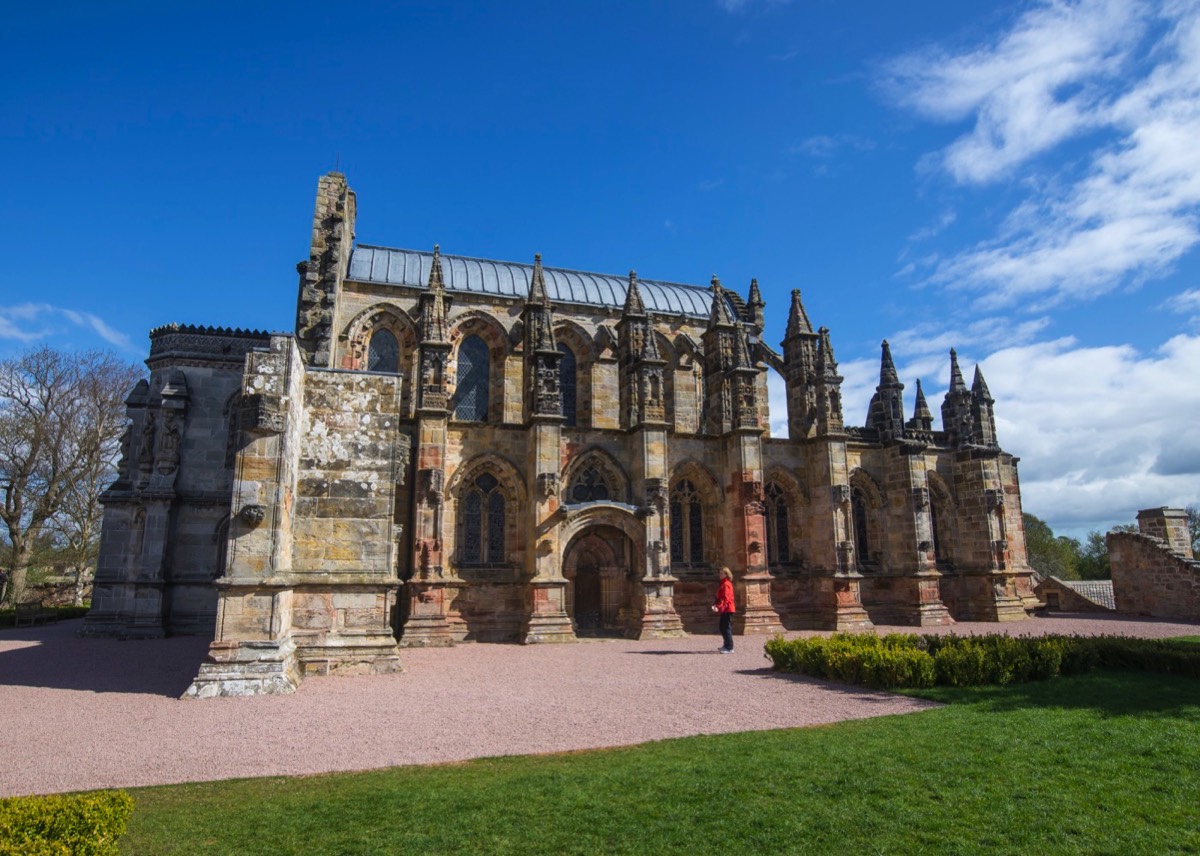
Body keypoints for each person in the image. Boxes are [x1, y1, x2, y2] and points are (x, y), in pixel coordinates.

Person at [711, 566, 735, 653]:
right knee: (722, 627)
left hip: (728, 608)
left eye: (721, 573)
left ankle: (729, 647)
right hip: (725, 608)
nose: (719, 575)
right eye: (719, 573)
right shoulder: (723, 583)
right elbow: (720, 597)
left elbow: (726, 598)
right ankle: (726, 645)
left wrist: (718, 607)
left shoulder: (726, 584)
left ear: (726, 574)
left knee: (726, 627)